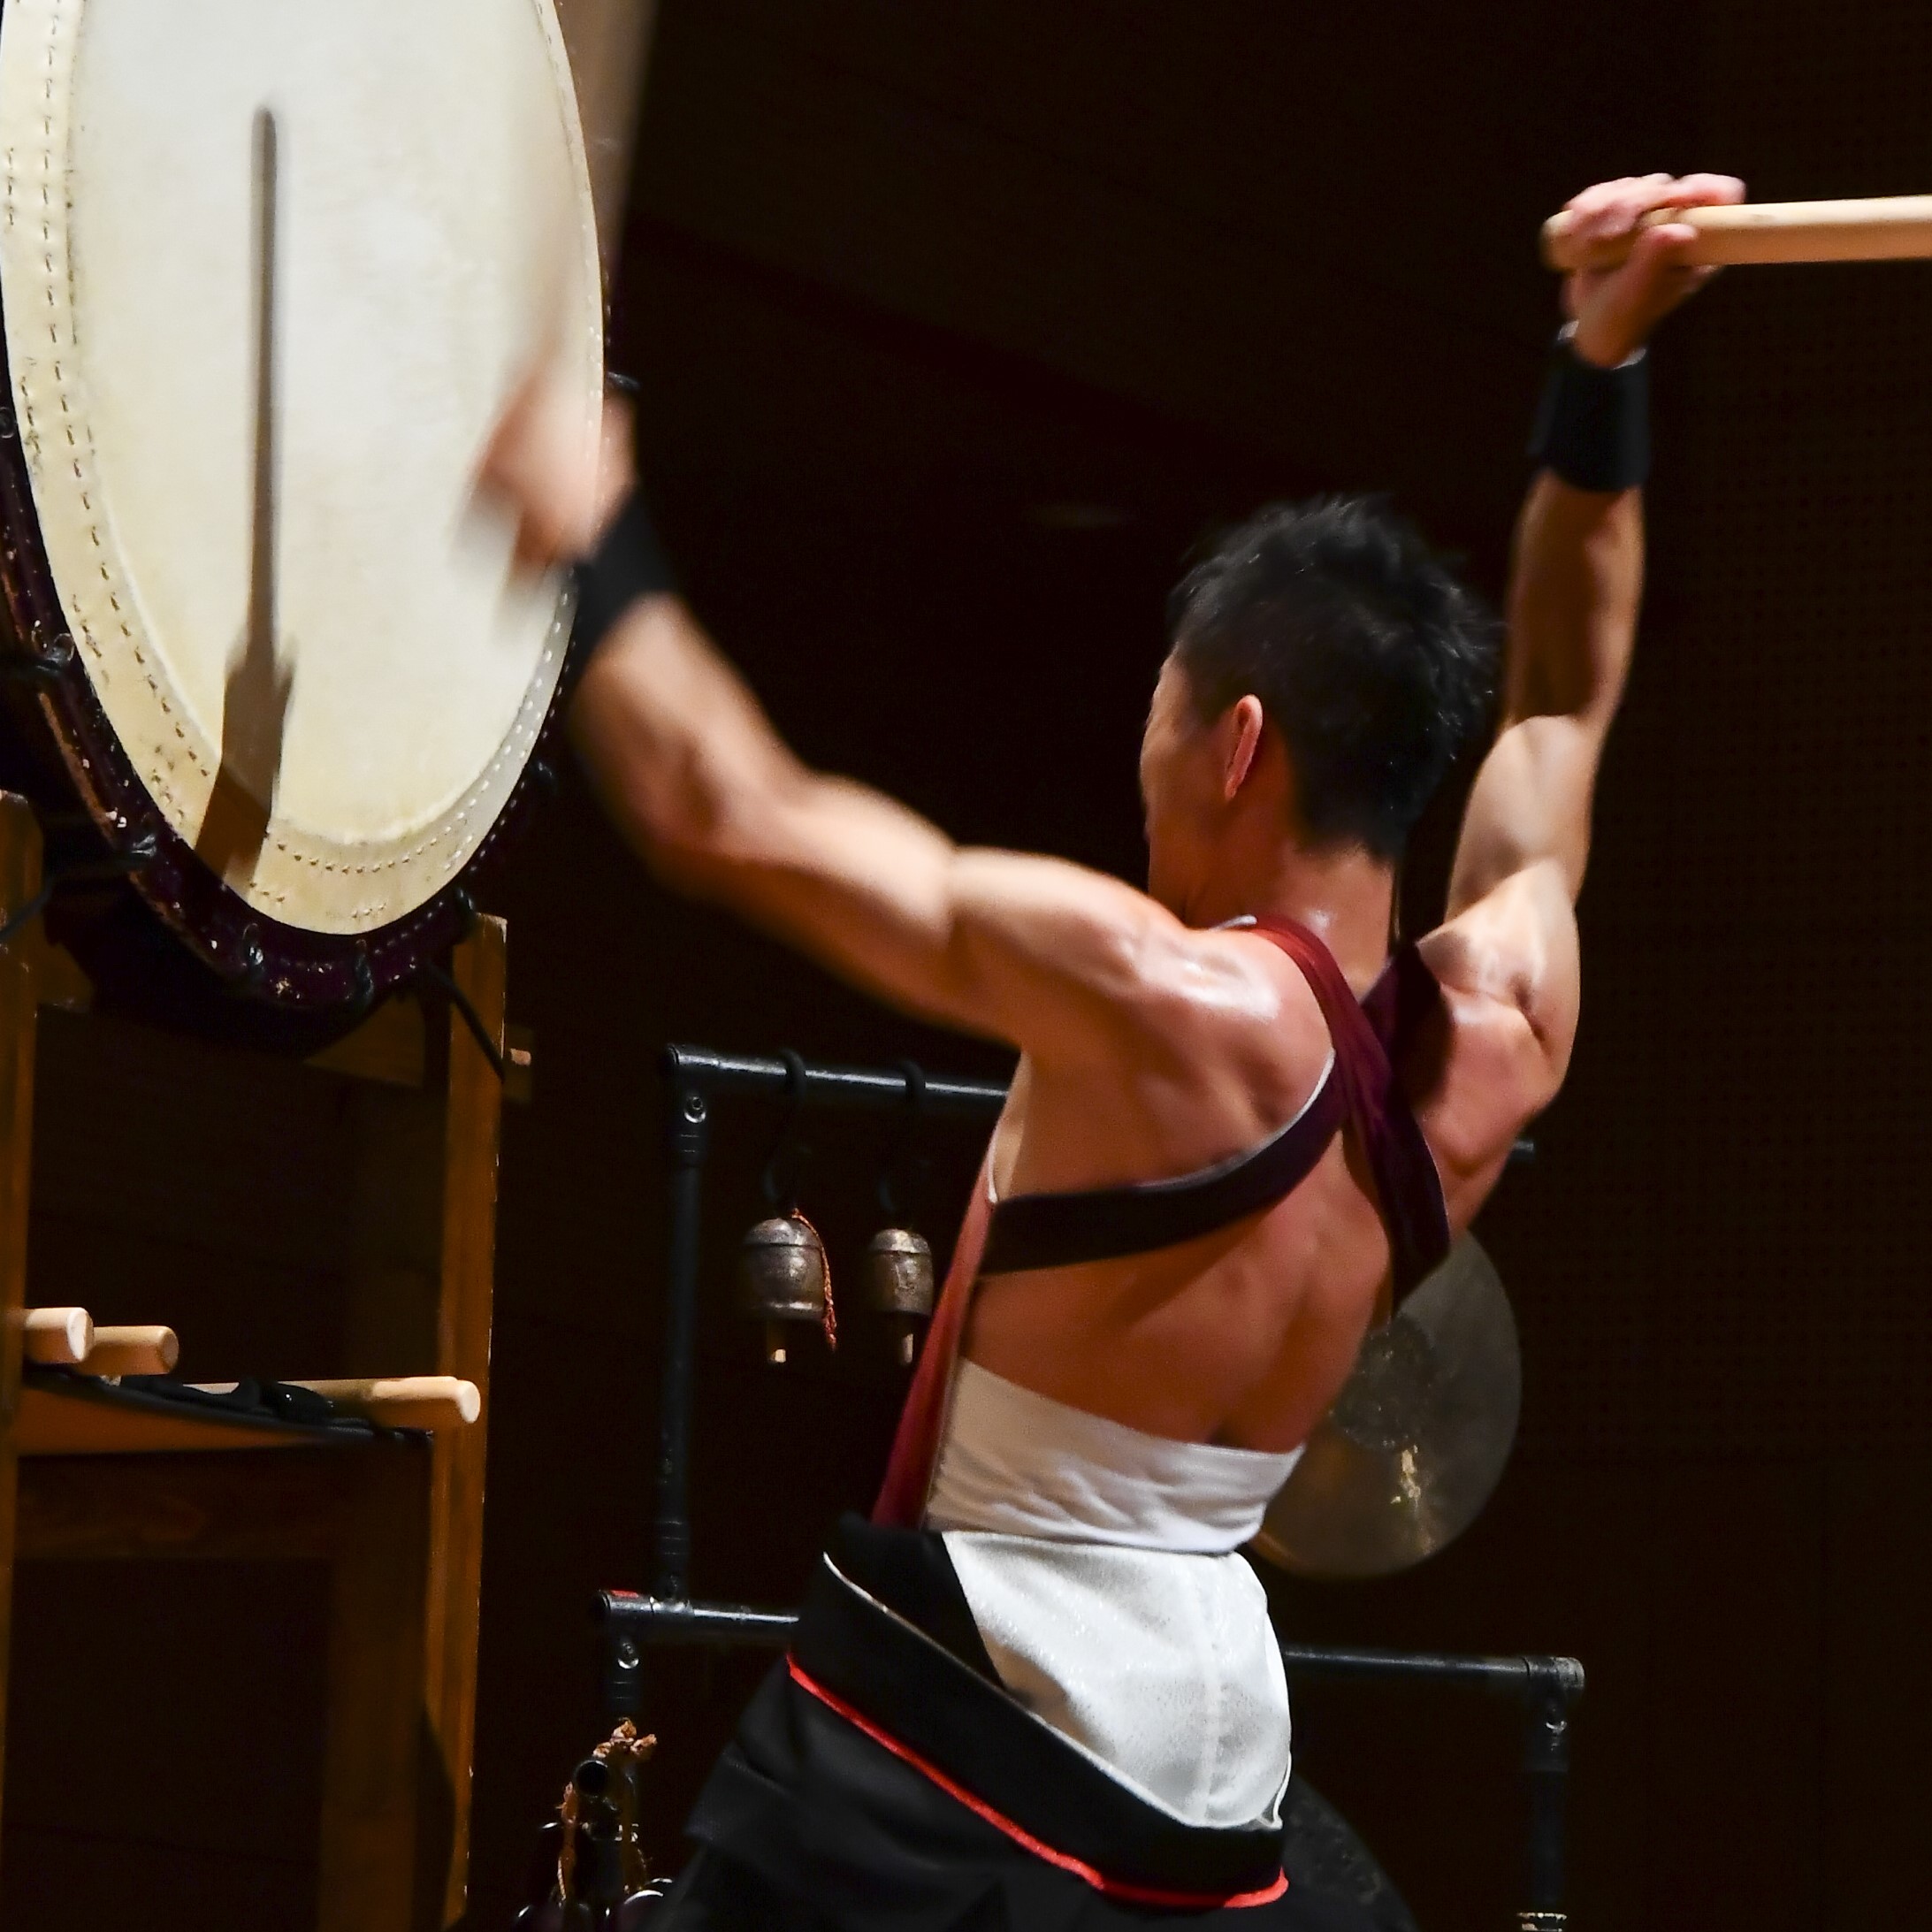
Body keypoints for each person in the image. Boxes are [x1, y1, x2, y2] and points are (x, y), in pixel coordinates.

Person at [484, 171, 1743, 1929]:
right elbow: (1560, 701)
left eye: (1158, 696)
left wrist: (587, 535)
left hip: (994, 1708)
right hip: (1211, 1735)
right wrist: (1599, 361)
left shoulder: (1154, 997)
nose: (1137, 737)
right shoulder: (1503, 1024)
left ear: (1235, 742)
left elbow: (727, 811)